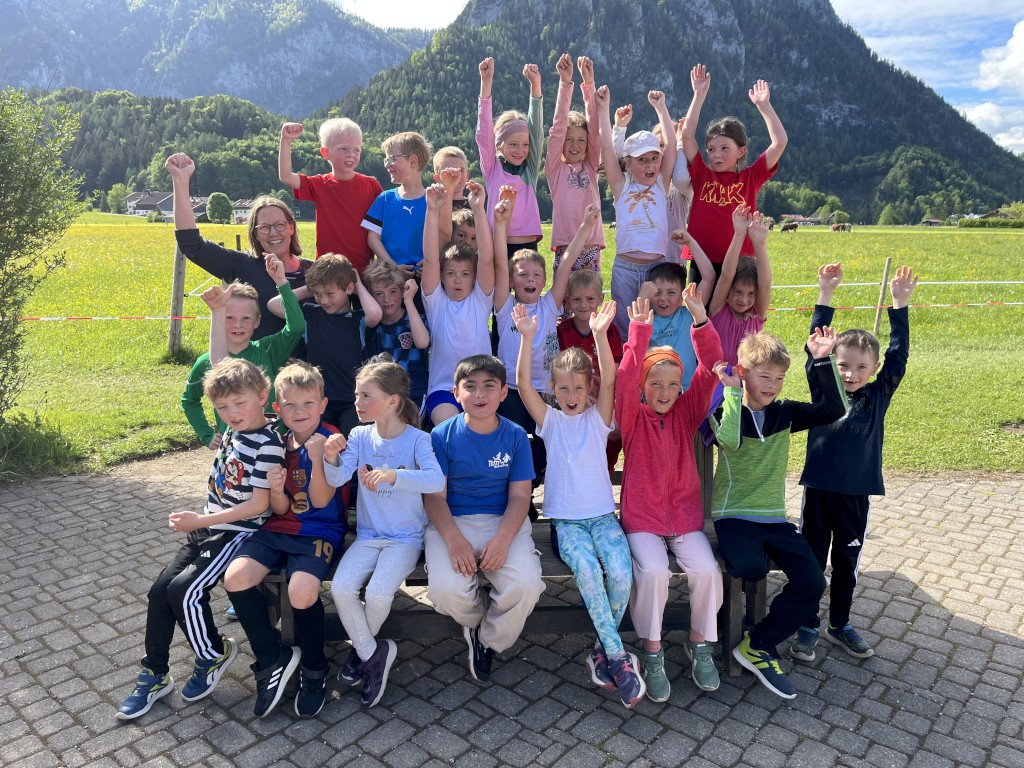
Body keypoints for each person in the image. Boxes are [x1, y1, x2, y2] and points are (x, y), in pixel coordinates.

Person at [115, 358, 285, 720]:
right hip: (208, 528)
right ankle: (155, 673)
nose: (231, 413)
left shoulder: (268, 444)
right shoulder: (234, 431)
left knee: (185, 591)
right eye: (222, 407)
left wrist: (202, 519)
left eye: (239, 403)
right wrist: (200, 520)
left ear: (262, 396)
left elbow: (258, 505)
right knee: (159, 592)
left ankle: (213, 655)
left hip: (237, 534)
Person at [513, 300, 645, 708]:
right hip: (566, 524)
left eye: (579, 388)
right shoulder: (550, 421)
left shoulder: (598, 419)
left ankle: (601, 652)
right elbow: (522, 384)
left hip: (603, 518)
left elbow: (611, 381)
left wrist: (602, 335)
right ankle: (618, 657)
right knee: (587, 571)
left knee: (621, 572)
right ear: (554, 389)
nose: (571, 395)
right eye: (563, 388)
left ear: (590, 388)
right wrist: (528, 338)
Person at [791, 264, 919, 663]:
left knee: (846, 563)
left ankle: (839, 624)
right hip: (818, 490)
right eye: (844, 365)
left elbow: (898, 355)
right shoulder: (824, 387)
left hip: (856, 495)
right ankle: (807, 625)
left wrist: (899, 305)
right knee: (812, 561)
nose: (851, 373)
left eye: (862, 367)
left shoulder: (879, 394)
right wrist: (825, 295)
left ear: (874, 370)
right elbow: (815, 347)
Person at [709, 328, 847, 699]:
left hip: (773, 518)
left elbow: (835, 409)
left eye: (779, 378)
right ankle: (725, 624)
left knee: (813, 582)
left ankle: (758, 643)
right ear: (743, 372)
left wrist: (822, 361)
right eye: (764, 376)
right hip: (734, 515)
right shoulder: (724, 411)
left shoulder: (785, 413)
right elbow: (729, 440)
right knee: (750, 567)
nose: (772, 385)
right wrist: (732, 391)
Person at [221, 362, 348, 718]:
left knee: (301, 592)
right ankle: (271, 657)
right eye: (290, 405)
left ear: (322, 405)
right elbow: (279, 507)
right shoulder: (277, 440)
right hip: (278, 527)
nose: (299, 411)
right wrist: (276, 490)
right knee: (235, 578)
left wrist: (319, 459)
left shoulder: (331, 439)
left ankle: (314, 667)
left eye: (308, 403)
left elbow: (320, 500)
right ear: (277, 408)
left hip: (319, 530)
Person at [617, 292, 725, 702]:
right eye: (655, 384)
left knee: (707, 571)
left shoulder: (686, 411)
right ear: (643, 387)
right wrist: (639, 333)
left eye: (672, 384)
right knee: (654, 572)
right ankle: (652, 649)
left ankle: (699, 643)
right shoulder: (632, 416)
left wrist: (700, 322)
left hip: (683, 517)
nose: (664, 392)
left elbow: (710, 370)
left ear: (681, 387)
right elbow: (625, 377)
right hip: (643, 518)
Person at [324, 359, 445, 707]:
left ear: (392, 400)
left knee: (378, 594)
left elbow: (435, 481)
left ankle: (360, 654)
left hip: (405, 539)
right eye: (357, 394)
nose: (357, 402)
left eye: (366, 395)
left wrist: (395, 475)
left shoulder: (418, 440)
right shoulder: (359, 436)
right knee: (342, 588)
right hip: (368, 536)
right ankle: (373, 654)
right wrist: (330, 458)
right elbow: (338, 479)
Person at [423, 355, 545, 682]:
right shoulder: (441, 436)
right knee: (445, 592)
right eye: (470, 386)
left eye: (489, 386)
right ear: (456, 393)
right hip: (452, 521)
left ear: (503, 392)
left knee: (526, 586)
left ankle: (487, 638)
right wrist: (454, 540)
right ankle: (477, 619)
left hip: (503, 521)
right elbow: (434, 497)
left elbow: (520, 497)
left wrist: (503, 539)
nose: (480, 394)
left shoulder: (516, 436)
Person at [491, 190, 591, 491]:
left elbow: (566, 264)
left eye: (537, 274)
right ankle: (515, 495)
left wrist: (586, 226)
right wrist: (501, 225)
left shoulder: (549, 306)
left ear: (545, 280)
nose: (530, 279)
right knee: (512, 442)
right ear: (512, 281)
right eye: (523, 275)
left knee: (546, 445)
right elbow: (499, 264)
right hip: (511, 388)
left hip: (546, 389)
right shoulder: (505, 307)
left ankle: (534, 487)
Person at [166, 153, 311, 339]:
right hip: (256, 359)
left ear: (291, 228)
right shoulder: (241, 265)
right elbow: (192, 245)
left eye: (280, 225)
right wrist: (180, 180)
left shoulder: (313, 272)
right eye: (264, 227)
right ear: (255, 234)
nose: (273, 233)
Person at [181, 255, 305, 449]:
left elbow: (296, 327)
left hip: (274, 446)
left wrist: (282, 282)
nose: (237, 324)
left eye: (246, 318)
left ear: (257, 321)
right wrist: (206, 434)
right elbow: (189, 401)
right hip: (234, 450)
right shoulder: (207, 362)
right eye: (229, 317)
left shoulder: (267, 349)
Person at [680, 64, 788, 284]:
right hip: (702, 260)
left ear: (741, 151)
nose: (716, 155)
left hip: (740, 262)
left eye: (724, 148)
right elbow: (687, 136)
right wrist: (698, 96)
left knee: (735, 308)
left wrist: (764, 106)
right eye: (711, 149)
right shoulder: (701, 174)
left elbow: (779, 142)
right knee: (698, 307)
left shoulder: (751, 177)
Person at [267, 253, 382, 435]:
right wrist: (310, 288)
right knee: (317, 440)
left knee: (353, 439)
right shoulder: (310, 315)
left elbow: (375, 315)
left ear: (348, 288)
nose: (324, 300)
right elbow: (273, 305)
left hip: (351, 400)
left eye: (330, 294)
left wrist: (358, 286)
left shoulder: (357, 318)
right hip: (318, 401)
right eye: (318, 294)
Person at [595, 84, 676, 335]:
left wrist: (661, 108)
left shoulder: (662, 184)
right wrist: (604, 109)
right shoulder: (622, 186)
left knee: (655, 328)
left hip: (657, 269)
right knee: (623, 327)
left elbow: (672, 144)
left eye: (654, 158)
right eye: (642, 160)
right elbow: (607, 148)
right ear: (628, 164)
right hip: (626, 270)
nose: (650, 164)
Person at [421, 182, 496, 427]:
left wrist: (479, 209)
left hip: (481, 388)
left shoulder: (480, 300)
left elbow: (486, 260)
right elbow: (431, 259)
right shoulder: (436, 302)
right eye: (451, 274)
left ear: (474, 278)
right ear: (442, 276)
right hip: (444, 388)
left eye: (465, 274)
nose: (457, 280)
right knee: (450, 425)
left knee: (479, 427)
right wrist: (432, 210)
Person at [278, 118, 382, 270]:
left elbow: (384, 227)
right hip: (328, 272)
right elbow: (286, 176)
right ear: (326, 153)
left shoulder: (372, 186)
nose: (351, 154)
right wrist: (286, 141)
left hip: (365, 271)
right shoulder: (319, 184)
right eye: (344, 149)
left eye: (356, 150)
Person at [556, 269, 623, 471]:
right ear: (567, 301)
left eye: (590, 299)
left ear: (601, 299)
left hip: (604, 393)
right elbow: (559, 370)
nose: (583, 305)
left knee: (615, 429)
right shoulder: (562, 330)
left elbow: (615, 369)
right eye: (577, 299)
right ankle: (578, 467)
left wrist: (599, 395)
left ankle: (606, 466)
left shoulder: (610, 329)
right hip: (574, 394)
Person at [477, 56, 544, 254]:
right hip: (499, 245)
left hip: (528, 248)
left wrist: (535, 86)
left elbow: (536, 131)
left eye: (525, 145)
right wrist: (486, 83)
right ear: (499, 144)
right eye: (513, 144)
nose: (520, 150)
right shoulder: (492, 169)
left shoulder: (529, 169)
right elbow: (484, 134)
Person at [546, 54, 604, 274]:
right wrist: (565, 82)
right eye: (568, 139)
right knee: (564, 296)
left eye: (581, 140)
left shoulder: (591, 166)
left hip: (590, 247)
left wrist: (589, 85)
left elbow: (595, 128)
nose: (574, 145)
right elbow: (557, 128)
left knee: (589, 294)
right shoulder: (555, 169)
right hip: (566, 246)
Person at [613, 108, 693, 264]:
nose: (663, 151)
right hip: (646, 260)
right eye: (659, 145)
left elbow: (680, 176)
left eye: (665, 146)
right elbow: (618, 161)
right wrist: (619, 128)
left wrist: (679, 144)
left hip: (674, 262)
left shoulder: (679, 186)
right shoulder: (636, 182)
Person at [637, 248, 714, 390]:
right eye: (657, 292)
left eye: (671, 292)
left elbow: (709, 277)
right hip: (656, 393)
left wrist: (690, 243)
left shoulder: (689, 314)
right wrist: (643, 296)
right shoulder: (645, 320)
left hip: (687, 391)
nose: (663, 298)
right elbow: (635, 343)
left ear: (681, 296)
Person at [362, 131, 432, 279]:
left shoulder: (434, 201)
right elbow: (373, 238)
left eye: (393, 158)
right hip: (391, 280)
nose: (387, 165)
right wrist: (392, 266)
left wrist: (432, 262)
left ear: (413, 161)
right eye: (386, 159)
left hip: (426, 278)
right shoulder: (384, 199)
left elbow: (444, 236)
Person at [708, 205, 773, 366]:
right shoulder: (718, 310)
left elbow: (765, 285)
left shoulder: (757, 314)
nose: (743, 299)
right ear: (728, 291)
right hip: (717, 378)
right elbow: (726, 276)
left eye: (751, 293)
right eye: (738, 291)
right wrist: (739, 234)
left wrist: (759, 244)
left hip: (746, 379)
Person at [362, 260, 431, 407]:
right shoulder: (371, 327)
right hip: (385, 395)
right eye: (379, 294)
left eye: (393, 291)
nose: (387, 299)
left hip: (416, 391)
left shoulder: (415, 319)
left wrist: (409, 300)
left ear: (402, 290)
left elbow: (422, 342)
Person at [432, 146, 471, 246]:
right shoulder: (433, 205)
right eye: (449, 171)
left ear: (467, 176)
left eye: (461, 170)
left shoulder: (473, 205)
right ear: (437, 178)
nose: (455, 174)